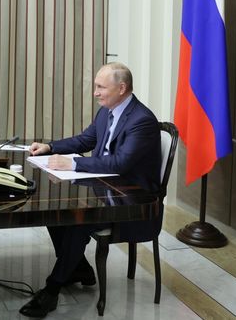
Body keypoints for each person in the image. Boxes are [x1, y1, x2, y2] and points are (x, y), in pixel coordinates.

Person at [20, 62, 161, 318]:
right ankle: (79, 268)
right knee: (56, 210)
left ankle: (53, 288)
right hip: (105, 186)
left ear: (122, 88)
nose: (95, 92)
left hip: (132, 199)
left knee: (78, 221)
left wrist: (73, 162)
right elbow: (86, 139)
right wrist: (51, 147)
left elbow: (120, 163)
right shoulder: (107, 111)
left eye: (100, 87)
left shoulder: (142, 121)